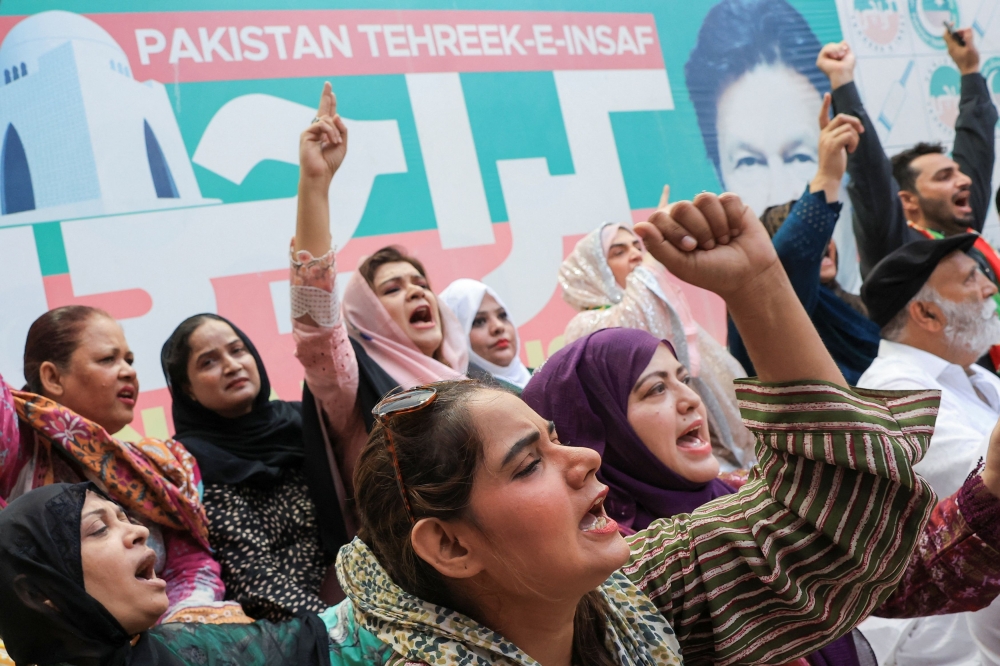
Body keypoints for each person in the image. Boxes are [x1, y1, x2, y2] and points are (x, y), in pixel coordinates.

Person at [336, 190, 964, 665]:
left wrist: (756, 283)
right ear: (450, 546)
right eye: (529, 464)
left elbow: (834, 510)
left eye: (557, 438)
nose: (584, 458)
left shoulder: (634, 599)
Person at [524, 325, 1000, 665]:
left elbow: (883, 570)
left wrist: (992, 483)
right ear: (598, 432)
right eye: (654, 391)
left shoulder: (740, 490)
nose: (690, 400)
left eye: (683, 380)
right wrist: (753, 284)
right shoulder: (620, 574)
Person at [290, 83, 469, 540]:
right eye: (393, 288)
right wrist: (315, 185)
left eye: (421, 284)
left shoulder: (473, 381)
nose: (416, 293)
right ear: (367, 316)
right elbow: (316, 325)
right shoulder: (353, 386)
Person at [0, 306, 247, 625]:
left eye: (129, 360)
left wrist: (180, 630)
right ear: (52, 377)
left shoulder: (163, 466)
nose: (128, 371)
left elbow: (191, 566)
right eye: (108, 359)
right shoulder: (17, 449)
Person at [0, 482, 391, 666]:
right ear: (41, 593)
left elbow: (325, 640)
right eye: (99, 529)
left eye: (125, 518)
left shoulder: (193, 646)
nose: (138, 531)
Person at [858, 234, 1000, 664]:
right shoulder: (891, 389)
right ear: (927, 313)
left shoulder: (973, 374)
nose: (989, 287)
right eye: (971, 278)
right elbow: (981, 484)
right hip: (937, 627)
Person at [161, 314, 347, 621]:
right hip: (290, 625)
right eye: (209, 362)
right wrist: (342, 628)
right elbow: (254, 582)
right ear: (187, 389)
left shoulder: (304, 422)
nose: (232, 366)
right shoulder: (191, 462)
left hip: (358, 591)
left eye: (237, 350)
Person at [559, 219, 754, 470]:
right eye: (619, 252)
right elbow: (634, 318)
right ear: (592, 271)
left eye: (636, 246)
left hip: (714, 444)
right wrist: (649, 268)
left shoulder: (662, 310)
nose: (636, 255)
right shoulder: (585, 324)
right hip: (659, 459)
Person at [818, 30, 998, 281]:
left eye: (958, 173)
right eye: (944, 177)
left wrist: (970, 70)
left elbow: (976, 146)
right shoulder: (898, 252)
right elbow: (871, 177)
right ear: (907, 200)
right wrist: (842, 81)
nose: (965, 180)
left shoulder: (963, 232)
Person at [728, 93, 880, 384]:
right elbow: (786, 260)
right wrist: (827, 177)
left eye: (825, 235)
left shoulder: (856, 305)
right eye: (812, 237)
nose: (821, 244)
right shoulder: (763, 309)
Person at [438, 278, 532, 391]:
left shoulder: (543, 377)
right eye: (479, 321)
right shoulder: (465, 397)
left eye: (502, 315)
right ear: (455, 337)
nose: (498, 327)